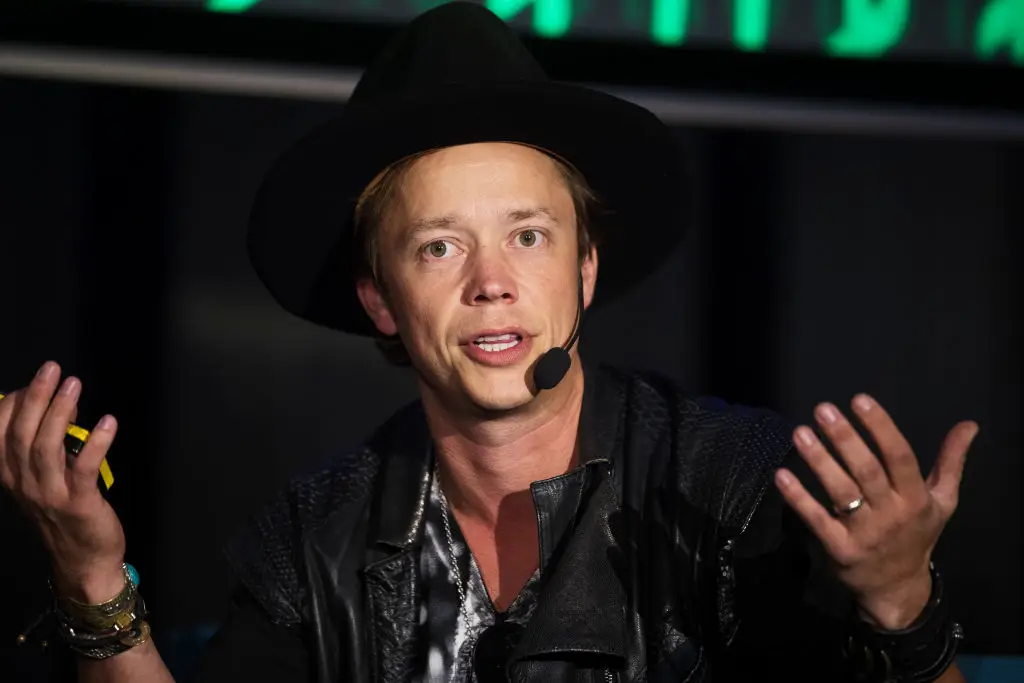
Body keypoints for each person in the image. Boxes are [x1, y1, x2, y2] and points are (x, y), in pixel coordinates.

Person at [0, 3, 976, 682]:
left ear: (584, 269)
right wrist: (91, 579)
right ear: (380, 299)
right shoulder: (313, 536)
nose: (491, 279)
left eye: (527, 234)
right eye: (439, 245)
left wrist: (901, 606)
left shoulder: (733, 483)